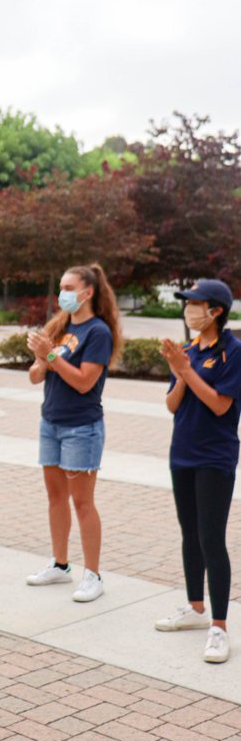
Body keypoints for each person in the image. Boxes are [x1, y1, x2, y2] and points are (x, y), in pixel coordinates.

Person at [25, 263, 122, 603]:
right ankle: (60, 564)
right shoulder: (62, 328)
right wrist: (43, 357)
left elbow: (84, 381)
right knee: (55, 498)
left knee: (82, 502)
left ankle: (93, 574)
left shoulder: (98, 332)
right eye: (61, 287)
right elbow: (36, 376)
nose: (62, 294)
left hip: (82, 426)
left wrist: (49, 354)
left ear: (87, 292)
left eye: (69, 287)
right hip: (50, 422)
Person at [155, 279, 241, 664]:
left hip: (214, 457)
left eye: (196, 303)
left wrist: (186, 372)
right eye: (187, 303)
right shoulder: (187, 350)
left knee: (211, 538)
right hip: (183, 453)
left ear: (216, 310)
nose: (189, 310)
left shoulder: (233, 352)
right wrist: (179, 370)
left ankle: (220, 627)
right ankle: (195, 606)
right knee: (189, 532)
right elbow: (173, 405)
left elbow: (221, 406)